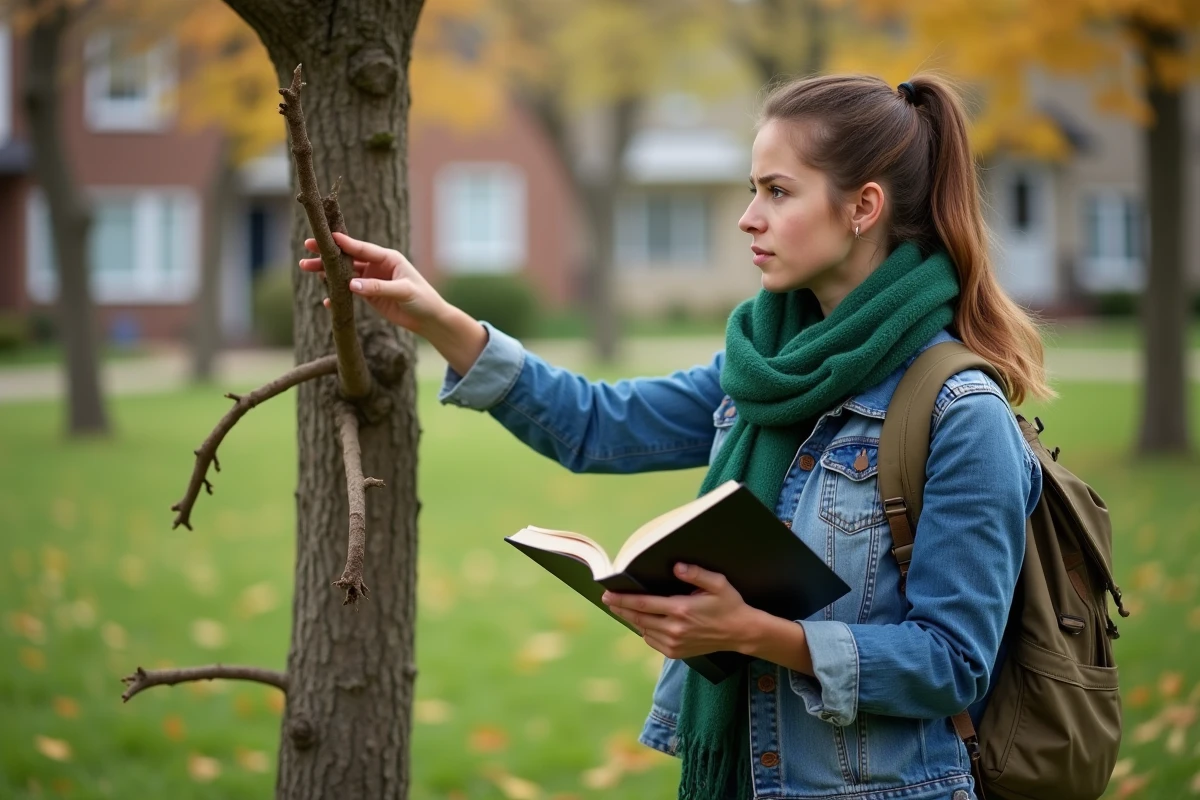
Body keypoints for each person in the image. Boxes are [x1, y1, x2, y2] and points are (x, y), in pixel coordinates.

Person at [300, 73, 1047, 800]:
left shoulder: (958, 411)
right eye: (753, 188)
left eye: (777, 191)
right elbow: (598, 425)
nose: (748, 217)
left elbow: (953, 662)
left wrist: (755, 632)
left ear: (863, 207)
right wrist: (437, 318)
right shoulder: (763, 368)